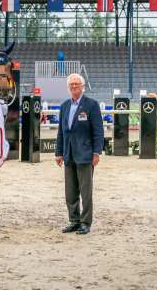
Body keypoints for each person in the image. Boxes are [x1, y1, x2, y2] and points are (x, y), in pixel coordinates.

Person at [55, 73, 104, 235]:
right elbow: (61, 132)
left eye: (77, 84)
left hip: (85, 155)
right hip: (68, 155)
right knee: (70, 192)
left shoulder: (92, 105)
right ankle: (74, 220)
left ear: (82, 86)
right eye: (71, 85)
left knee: (85, 191)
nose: (74, 87)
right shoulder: (64, 106)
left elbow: (98, 131)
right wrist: (58, 152)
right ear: (68, 88)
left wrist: (96, 152)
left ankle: (85, 222)